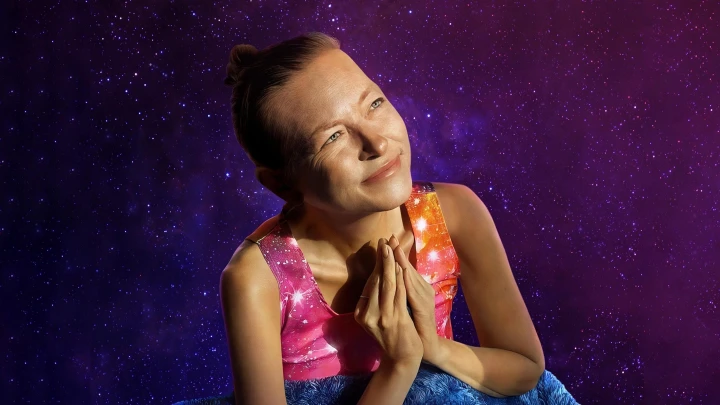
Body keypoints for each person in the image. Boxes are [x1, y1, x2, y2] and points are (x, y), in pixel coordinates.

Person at [219, 32, 545, 405]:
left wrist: (433, 348)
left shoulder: (454, 212)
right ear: (282, 184)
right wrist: (399, 365)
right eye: (333, 138)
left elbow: (525, 367)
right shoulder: (258, 278)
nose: (377, 143)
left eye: (374, 103)